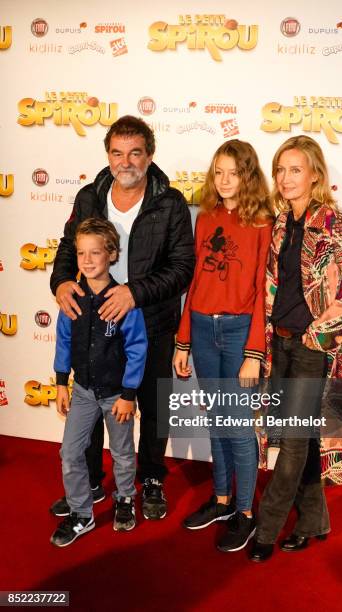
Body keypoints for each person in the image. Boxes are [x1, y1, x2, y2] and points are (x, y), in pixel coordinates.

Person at [50, 115, 195, 521]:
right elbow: (66, 249)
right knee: (93, 401)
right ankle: (93, 481)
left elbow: (182, 268)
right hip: (94, 319)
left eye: (135, 153)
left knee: (151, 405)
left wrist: (133, 293)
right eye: (117, 153)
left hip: (150, 320)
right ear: (108, 155)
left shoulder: (170, 202)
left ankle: (150, 479)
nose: (125, 161)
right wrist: (61, 282)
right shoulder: (88, 197)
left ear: (149, 155)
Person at [250, 135, 342, 562]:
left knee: (294, 442)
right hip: (279, 343)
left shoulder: (334, 224)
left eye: (295, 170)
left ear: (315, 174)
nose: (285, 178)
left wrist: (321, 332)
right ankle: (313, 521)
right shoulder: (281, 222)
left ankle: (265, 530)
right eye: (280, 170)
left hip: (311, 348)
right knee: (303, 438)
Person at [174, 139, 273, 553]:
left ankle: (247, 512)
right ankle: (221, 499)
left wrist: (254, 353)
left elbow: (260, 291)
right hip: (200, 327)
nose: (225, 180)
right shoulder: (206, 217)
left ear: (248, 175)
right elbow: (196, 281)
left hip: (237, 331)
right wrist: (182, 340)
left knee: (237, 426)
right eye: (219, 172)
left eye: (234, 172)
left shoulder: (264, 222)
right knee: (216, 420)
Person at [50, 219, 147, 547]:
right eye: (81, 253)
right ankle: (81, 513)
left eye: (95, 253)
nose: (87, 260)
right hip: (83, 392)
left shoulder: (122, 301)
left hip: (117, 394)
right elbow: (63, 342)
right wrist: (62, 383)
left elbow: (137, 349)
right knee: (70, 453)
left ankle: (124, 499)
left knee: (121, 452)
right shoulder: (71, 297)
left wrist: (129, 394)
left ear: (112, 255)